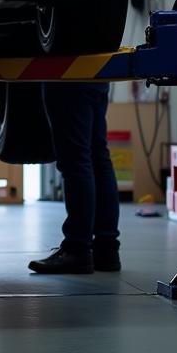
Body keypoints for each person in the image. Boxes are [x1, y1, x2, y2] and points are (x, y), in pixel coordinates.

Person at [29, 82, 121, 275]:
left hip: (67, 73)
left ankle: (77, 250)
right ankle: (106, 249)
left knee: (75, 160)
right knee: (98, 157)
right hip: (97, 73)